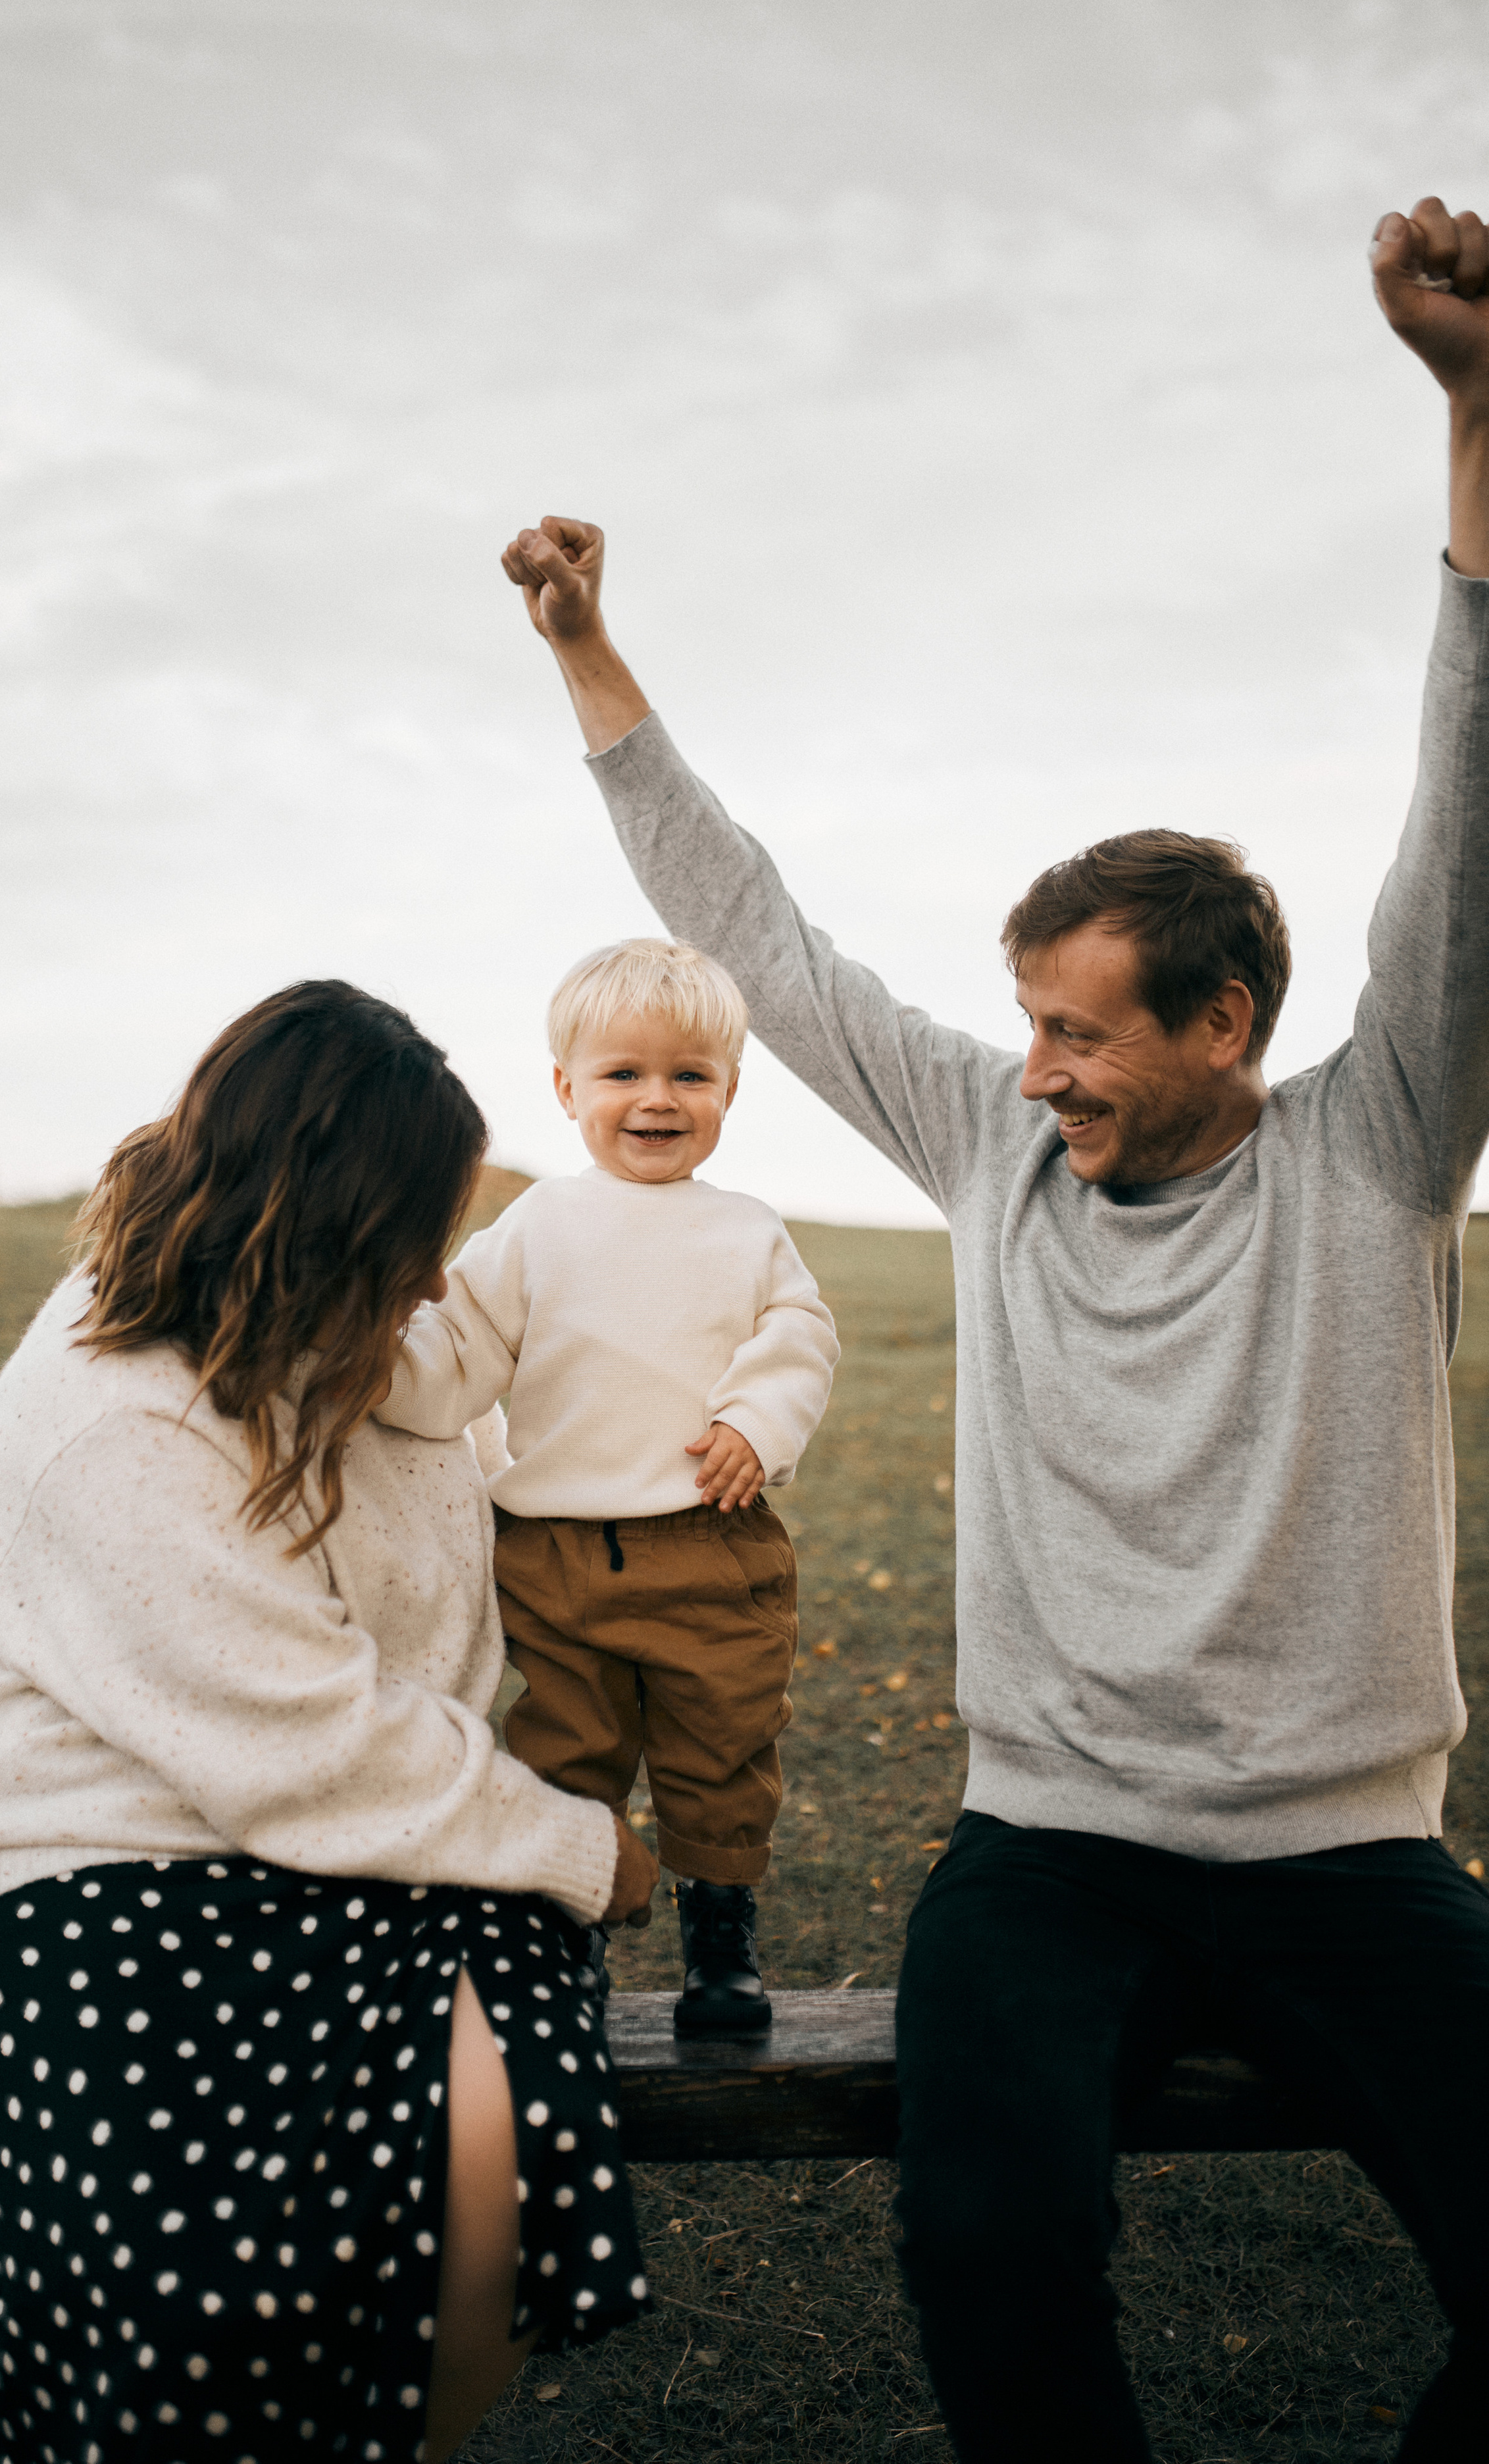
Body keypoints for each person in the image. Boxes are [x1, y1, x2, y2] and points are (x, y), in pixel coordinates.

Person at [495, 194, 1489, 2460]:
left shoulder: (1375, 1150)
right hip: (1049, 1846)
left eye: (1078, 1032)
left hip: (1347, 1858)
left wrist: (1471, 419)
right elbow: (758, 933)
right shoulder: (989, 1149)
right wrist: (588, 648)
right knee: (985, 2245)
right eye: (1024, 1024)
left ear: (1227, 1023)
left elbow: (1469, 828)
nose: (1030, 1071)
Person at [0, 980, 659, 2464]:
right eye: (412, 1245)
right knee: (198, 2269)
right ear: (325, 1231)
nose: (435, 1286)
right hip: (53, 1861)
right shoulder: (119, 1411)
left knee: (512, 2125)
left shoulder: (356, 1354)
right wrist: (579, 1849)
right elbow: (304, 1743)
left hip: (327, 1840)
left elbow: (400, 1671)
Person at [374, 937, 838, 2031]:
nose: (657, 1099)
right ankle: (561, 1938)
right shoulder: (539, 1224)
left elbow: (799, 1338)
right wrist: (375, 1366)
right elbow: (461, 1347)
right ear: (566, 1088)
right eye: (623, 1073)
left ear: (730, 1090)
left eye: (690, 1075)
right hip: (560, 1554)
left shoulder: (747, 1231)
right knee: (566, 1752)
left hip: (709, 1541)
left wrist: (755, 1421)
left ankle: (719, 1940)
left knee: (722, 1747)